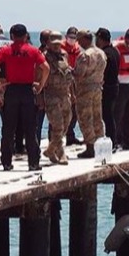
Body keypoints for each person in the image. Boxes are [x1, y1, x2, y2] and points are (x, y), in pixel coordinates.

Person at [0, 24, 49, 171]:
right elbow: (46, 67)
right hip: (27, 91)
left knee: (8, 128)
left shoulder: (6, 50)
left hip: (12, 90)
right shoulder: (33, 50)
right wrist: (40, 85)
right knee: (30, 128)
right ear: (26, 35)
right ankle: (33, 163)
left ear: (12, 36)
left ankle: (6, 162)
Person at [72, 29, 107, 158]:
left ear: (85, 39)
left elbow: (79, 74)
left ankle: (90, 147)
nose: (79, 43)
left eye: (79, 40)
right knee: (97, 117)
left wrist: (70, 71)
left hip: (85, 89)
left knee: (85, 118)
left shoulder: (85, 55)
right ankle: (100, 143)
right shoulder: (101, 53)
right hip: (97, 88)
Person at [42, 32, 74, 164]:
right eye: (53, 44)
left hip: (65, 94)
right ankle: (61, 153)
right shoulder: (44, 57)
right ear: (48, 43)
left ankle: (50, 150)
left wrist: (72, 93)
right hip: (51, 95)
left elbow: (69, 75)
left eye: (58, 44)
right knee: (58, 126)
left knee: (67, 123)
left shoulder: (64, 55)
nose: (56, 47)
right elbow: (39, 77)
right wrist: (39, 96)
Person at [95, 27, 119, 148]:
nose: (96, 41)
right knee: (111, 116)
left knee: (107, 116)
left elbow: (103, 72)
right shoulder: (115, 51)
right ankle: (113, 141)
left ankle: (112, 142)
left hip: (108, 88)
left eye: (97, 38)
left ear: (101, 39)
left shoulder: (105, 54)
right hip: (115, 86)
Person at [63, 26, 83, 146]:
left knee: (75, 110)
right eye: (70, 37)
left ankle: (70, 135)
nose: (72, 39)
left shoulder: (78, 49)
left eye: (74, 37)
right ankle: (58, 137)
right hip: (64, 81)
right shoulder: (60, 47)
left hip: (76, 80)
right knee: (63, 110)